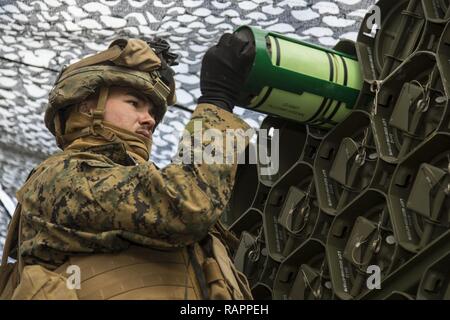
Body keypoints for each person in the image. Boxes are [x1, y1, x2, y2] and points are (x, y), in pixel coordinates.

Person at [0, 33, 255, 300]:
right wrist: (217, 99)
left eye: (153, 113)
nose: (149, 120)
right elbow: (188, 204)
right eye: (134, 103)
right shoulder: (60, 177)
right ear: (87, 106)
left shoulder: (144, 181)